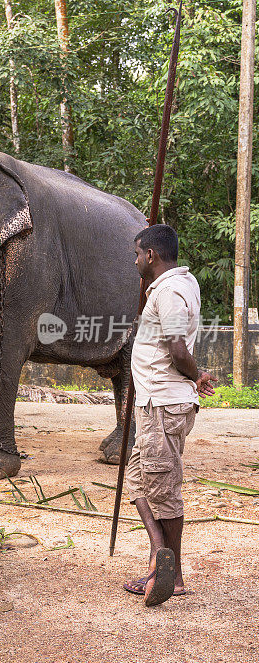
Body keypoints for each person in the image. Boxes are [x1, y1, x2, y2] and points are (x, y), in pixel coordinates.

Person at [123, 224, 216, 607]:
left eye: (137, 254)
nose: (135, 260)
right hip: (151, 404)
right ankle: (159, 555)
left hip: (163, 405)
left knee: (163, 489)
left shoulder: (174, 291)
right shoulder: (166, 288)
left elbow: (178, 349)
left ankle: (173, 575)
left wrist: (197, 375)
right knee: (136, 479)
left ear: (152, 256)